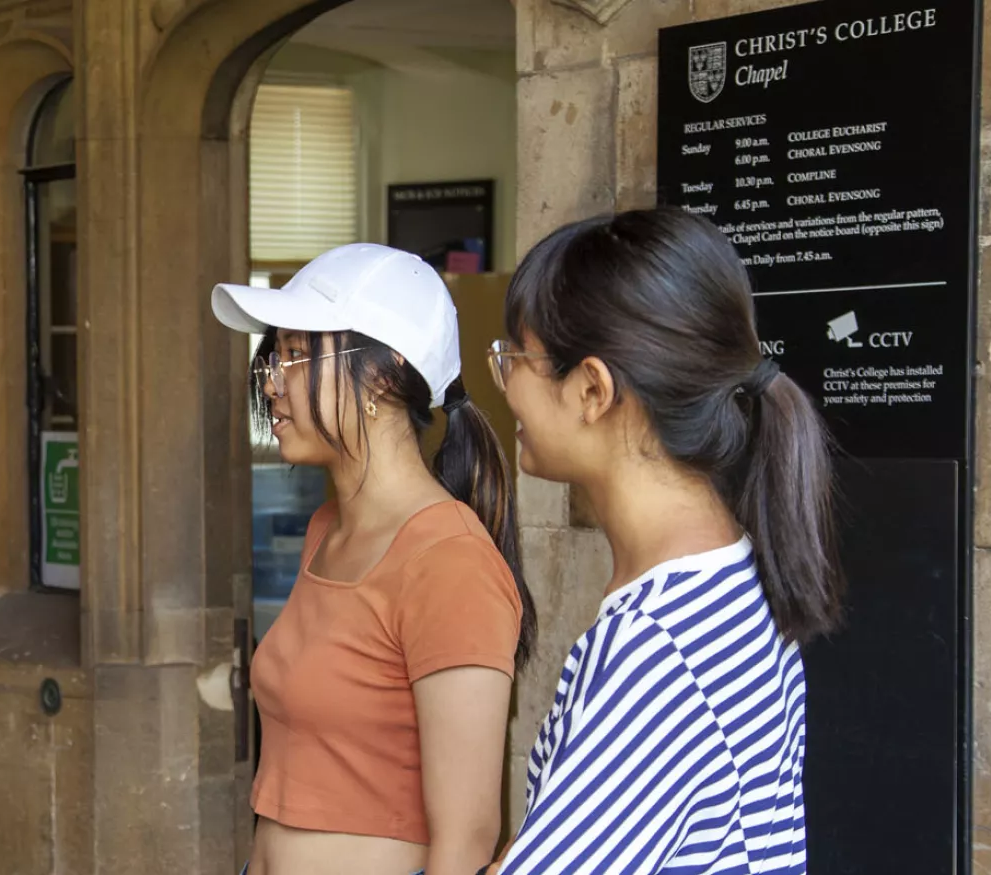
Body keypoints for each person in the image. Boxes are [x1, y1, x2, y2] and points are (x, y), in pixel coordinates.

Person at [487, 207, 839, 874]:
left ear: (591, 387)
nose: (506, 382)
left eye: (518, 356)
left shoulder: (657, 643)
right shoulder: (738, 572)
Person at [213, 244, 535, 875]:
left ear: (384, 375)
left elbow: (468, 839)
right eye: (273, 358)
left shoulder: (450, 562)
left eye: (297, 355)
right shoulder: (327, 529)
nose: (272, 382)